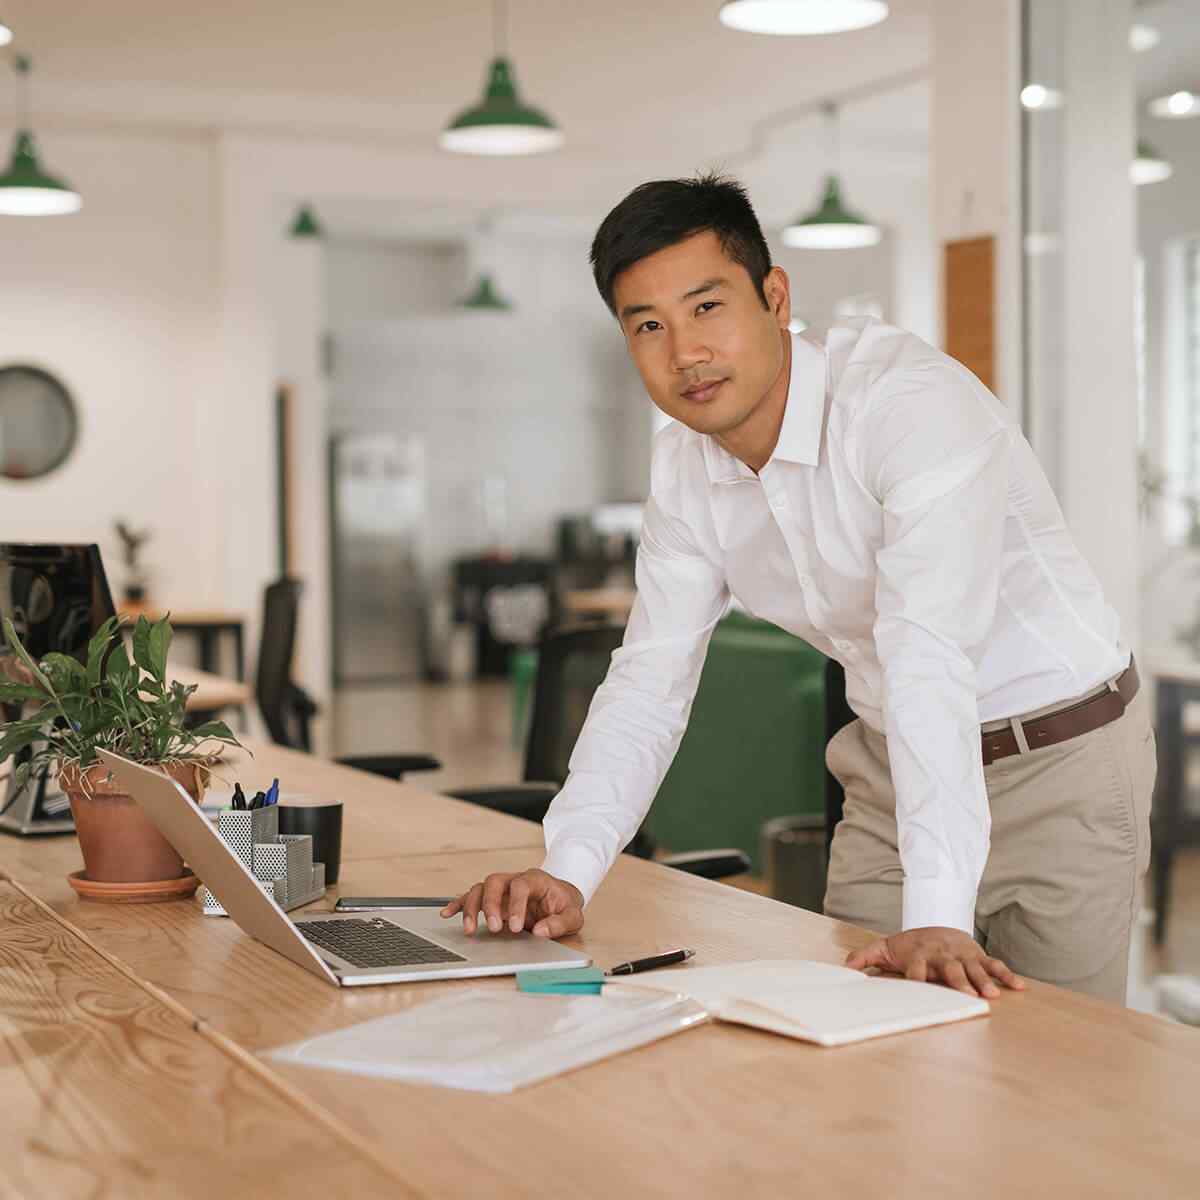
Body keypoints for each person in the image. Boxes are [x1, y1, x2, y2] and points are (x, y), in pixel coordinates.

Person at [442, 174, 1155, 1004]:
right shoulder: (684, 470)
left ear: (775, 298)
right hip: (890, 777)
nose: (685, 352)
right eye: (648, 325)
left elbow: (926, 655)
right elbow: (649, 681)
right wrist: (566, 869)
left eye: (707, 307)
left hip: (1060, 762)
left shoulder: (908, 407)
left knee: (1058, 1061)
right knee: (867, 1044)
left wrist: (938, 914)